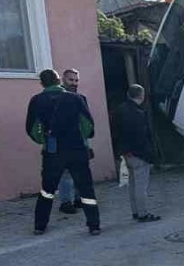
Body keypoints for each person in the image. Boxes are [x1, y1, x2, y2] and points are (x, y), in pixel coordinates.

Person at [27, 69, 100, 235]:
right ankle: (93, 225)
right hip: (76, 151)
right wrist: (81, 138)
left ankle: (40, 225)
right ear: (59, 80)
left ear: (42, 83)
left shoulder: (37, 101)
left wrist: (45, 140)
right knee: (86, 189)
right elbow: (87, 126)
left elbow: (33, 129)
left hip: (52, 153)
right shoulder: (77, 98)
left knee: (47, 190)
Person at [115, 84, 160, 223]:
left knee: (132, 184)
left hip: (126, 153)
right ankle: (143, 213)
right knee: (141, 186)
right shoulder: (139, 113)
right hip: (139, 154)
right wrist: (148, 155)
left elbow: (116, 132)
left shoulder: (119, 110)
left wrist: (123, 151)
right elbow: (141, 136)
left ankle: (135, 211)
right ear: (141, 95)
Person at [56, 66, 83, 213]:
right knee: (65, 173)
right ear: (63, 79)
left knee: (79, 170)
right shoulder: (57, 97)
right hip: (62, 142)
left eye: (76, 80)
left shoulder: (79, 98)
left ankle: (79, 199)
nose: (74, 83)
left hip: (78, 140)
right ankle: (66, 202)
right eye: (71, 80)